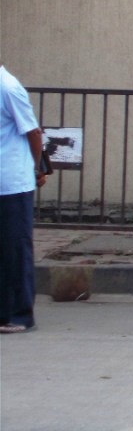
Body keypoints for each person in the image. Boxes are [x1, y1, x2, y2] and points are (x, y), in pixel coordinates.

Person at [1, 62, 47, 335]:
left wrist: (37, 166)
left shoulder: (8, 88)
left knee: (15, 249)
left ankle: (21, 315)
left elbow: (33, 132)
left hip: (12, 182)